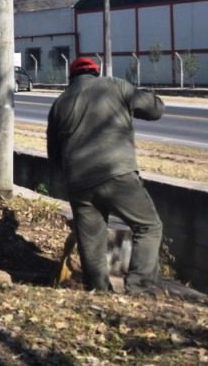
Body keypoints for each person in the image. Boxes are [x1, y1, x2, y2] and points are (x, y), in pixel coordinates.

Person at [46, 56, 165, 294]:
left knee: (91, 240)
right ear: (96, 71)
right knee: (149, 226)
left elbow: (54, 153)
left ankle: (98, 291)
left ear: (71, 76)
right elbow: (154, 110)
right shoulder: (115, 85)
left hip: (79, 182)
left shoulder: (60, 103)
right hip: (117, 173)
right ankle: (139, 287)